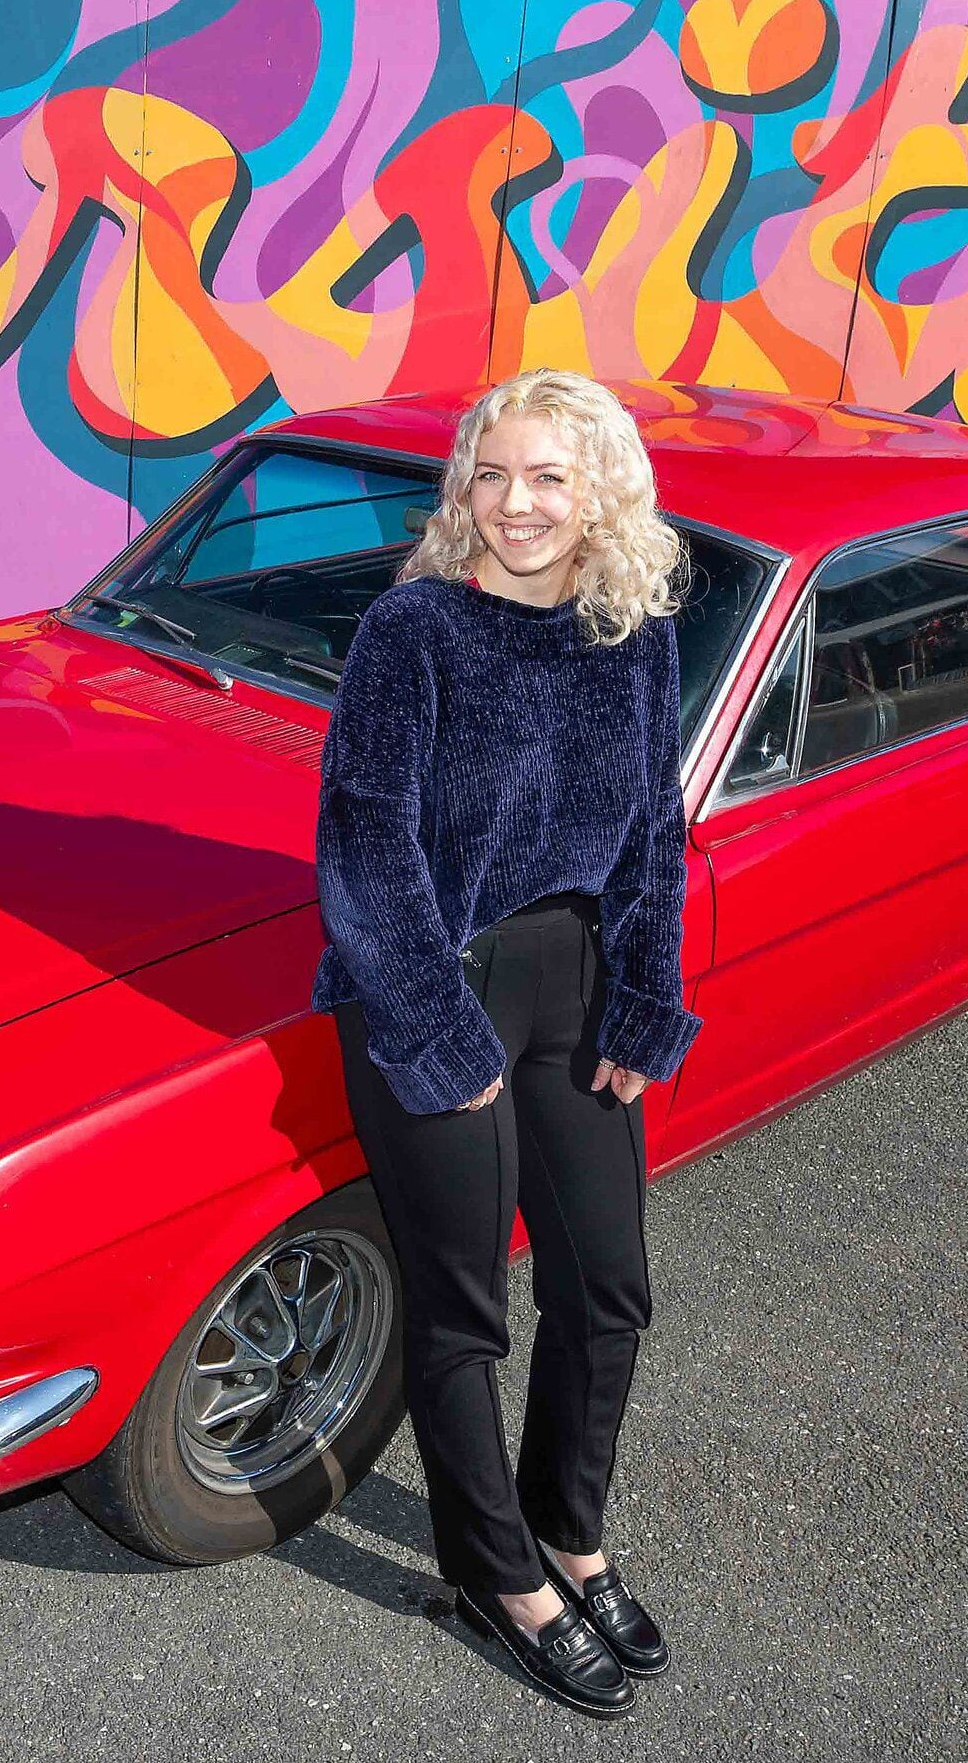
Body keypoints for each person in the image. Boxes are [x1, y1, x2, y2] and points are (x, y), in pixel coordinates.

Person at [312, 369, 701, 1718]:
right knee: (465, 1305)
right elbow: (365, 846)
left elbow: (657, 826)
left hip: (575, 983)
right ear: (464, 488)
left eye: (548, 476)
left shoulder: (631, 633)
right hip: (437, 989)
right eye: (495, 473)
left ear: (597, 491)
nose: (518, 502)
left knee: (608, 1286)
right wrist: (436, 1029)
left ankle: (569, 1527)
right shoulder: (412, 631)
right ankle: (500, 1572)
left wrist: (646, 995)